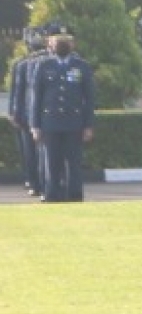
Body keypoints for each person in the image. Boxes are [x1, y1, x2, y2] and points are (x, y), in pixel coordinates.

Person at [32, 31, 95, 202]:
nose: (62, 46)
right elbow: (36, 98)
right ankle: (52, 194)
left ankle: (75, 194)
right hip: (50, 122)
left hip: (74, 123)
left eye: (65, 43)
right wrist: (35, 126)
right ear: (51, 47)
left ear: (72, 46)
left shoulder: (81, 66)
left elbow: (89, 98)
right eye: (58, 43)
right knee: (52, 162)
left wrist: (88, 125)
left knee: (73, 163)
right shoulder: (43, 66)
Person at [11, 26, 49, 197]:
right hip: (28, 115)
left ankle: (47, 183)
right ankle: (35, 182)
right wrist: (16, 113)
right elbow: (18, 91)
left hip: (45, 114)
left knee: (45, 153)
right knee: (31, 154)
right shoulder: (23, 65)